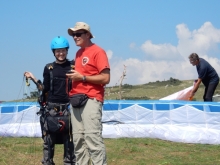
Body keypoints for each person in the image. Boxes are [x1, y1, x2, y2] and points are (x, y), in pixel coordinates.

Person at [24, 36, 75, 165]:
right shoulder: (49, 68)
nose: (61, 53)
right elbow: (44, 88)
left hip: (68, 109)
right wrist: (33, 78)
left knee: (69, 143)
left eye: (63, 50)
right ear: (54, 52)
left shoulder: (73, 66)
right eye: (58, 51)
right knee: (48, 142)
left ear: (67, 51)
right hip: (52, 110)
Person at [66, 22, 110, 165]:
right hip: (76, 99)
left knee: (92, 138)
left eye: (78, 34)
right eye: (73, 35)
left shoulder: (98, 51)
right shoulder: (78, 53)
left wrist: (82, 78)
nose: (75, 37)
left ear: (87, 35)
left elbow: (106, 78)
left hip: (91, 98)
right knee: (78, 140)